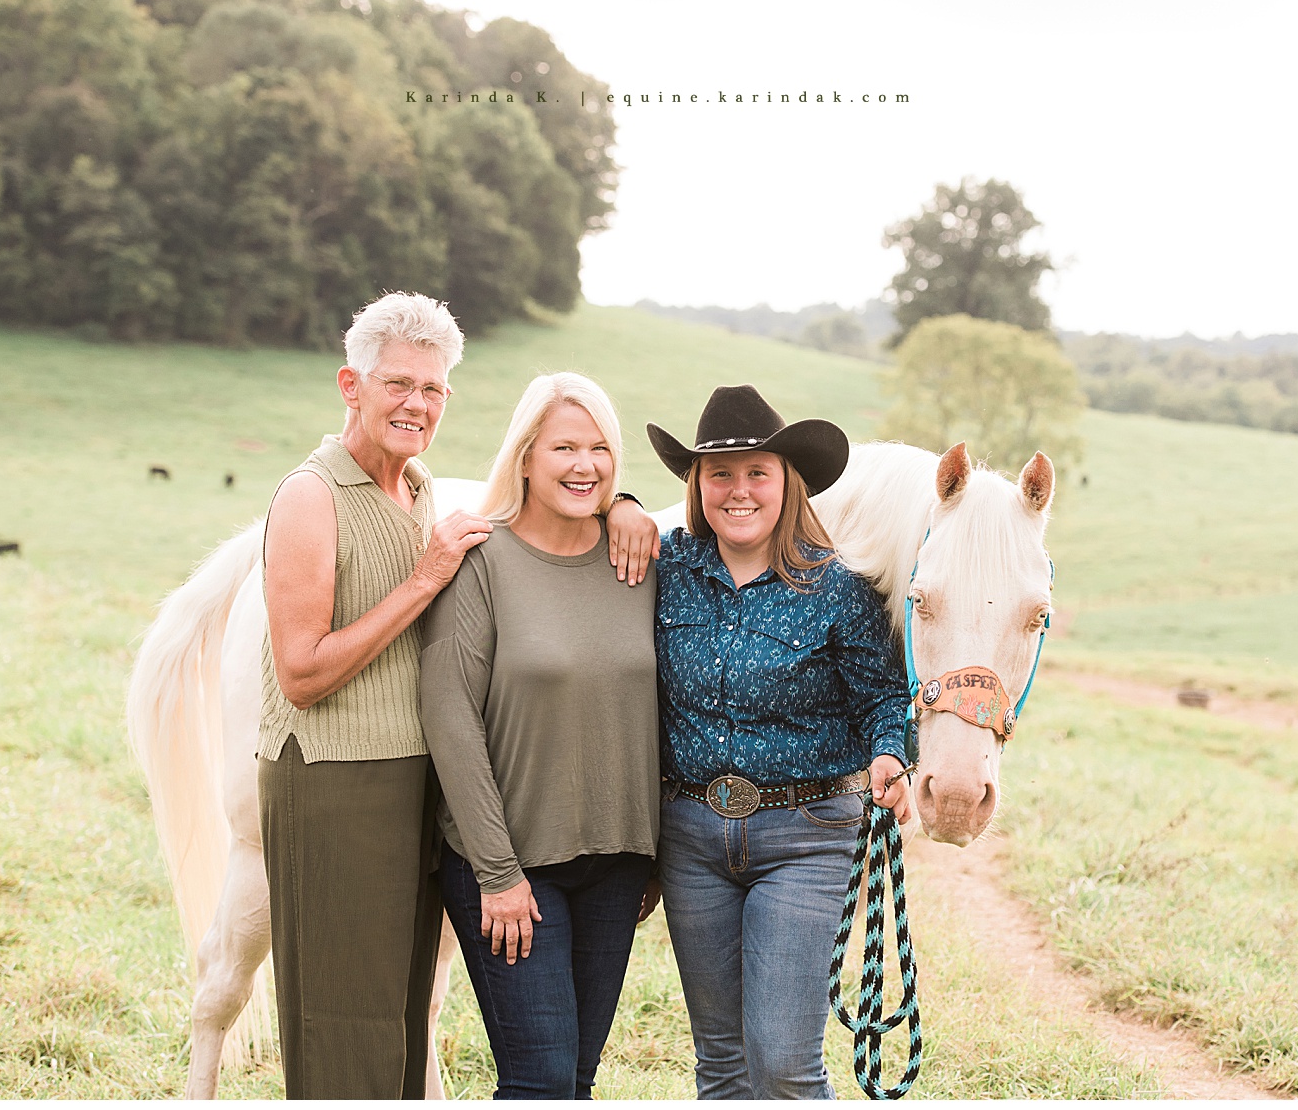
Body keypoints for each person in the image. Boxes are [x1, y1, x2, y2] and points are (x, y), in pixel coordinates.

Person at [258, 297, 656, 1099]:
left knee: (404, 1022)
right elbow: (300, 674)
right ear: (351, 385)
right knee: (340, 1022)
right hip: (333, 774)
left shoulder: (417, 487)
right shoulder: (309, 495)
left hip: (409, 782)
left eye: (434, 389)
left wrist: (626, 502)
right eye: (399, 384)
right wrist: (426, 578)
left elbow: (563, 500)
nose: (417, 403)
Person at [644, 384, 913, 1100]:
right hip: (692, 833)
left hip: (808, 836)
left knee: (784, 1065)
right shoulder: (666, 573)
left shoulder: (837, 588)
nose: (739, 491)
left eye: (757, 472)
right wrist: (618, 508)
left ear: (787, 482)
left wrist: (891, 751)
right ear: (696, 487)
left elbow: (884, 697)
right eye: (719, 474)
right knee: (722, 1063)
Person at [418, 372, 662, 1100]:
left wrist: (632, 508)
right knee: (542, 1080)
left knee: (576, 1080)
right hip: (512, 867)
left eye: (600, 448)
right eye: (563, 446)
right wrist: (496, 872)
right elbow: (450, 718)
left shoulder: (642, 561)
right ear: (525, 455)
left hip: (617, 861)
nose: (584, 464)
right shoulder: (481, 560)